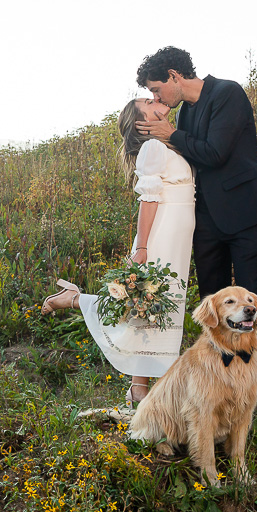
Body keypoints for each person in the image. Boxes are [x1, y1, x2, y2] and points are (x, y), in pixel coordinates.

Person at [132, 46, 257, 438]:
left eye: (156, 89)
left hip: (246, 216)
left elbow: (215, 153)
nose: (157, 98)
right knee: (214, 305)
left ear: (173, 76)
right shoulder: (184, 113)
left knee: (254, 300)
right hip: (207, 223)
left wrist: (171, 134)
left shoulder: (227, 94)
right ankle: (222, 389)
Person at [41, 97, 195, 410]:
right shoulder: (153, 148)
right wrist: (142, 247)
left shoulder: (167, 141)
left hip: (178, 233)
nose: (156, 100)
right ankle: (74, 300)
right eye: (148, 101)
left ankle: (139, 388)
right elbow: (148, 200)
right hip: (161, 233)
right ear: (142, 121)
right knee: (148, 305)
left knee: (151, 308)